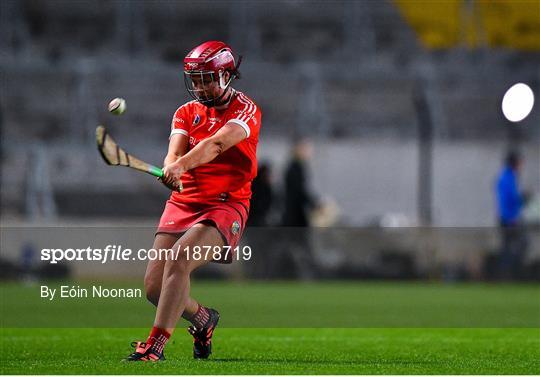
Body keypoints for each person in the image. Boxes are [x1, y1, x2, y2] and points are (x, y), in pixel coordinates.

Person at [125, 41, 261, 362]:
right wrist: (172, 166)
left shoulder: (246, 111)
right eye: (195, 79)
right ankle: (203, 319)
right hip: (185, 201)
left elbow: (216, 144)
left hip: (225, 204)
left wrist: (182, 165)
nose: (199, 86)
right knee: (155, 289)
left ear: (226, 75)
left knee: (179, 259)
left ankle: (154, 346)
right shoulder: (186, 112)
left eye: (207, 78)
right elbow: (175, 150)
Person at [495, 150, 529, 279]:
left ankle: (507, 274)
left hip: (509, 218)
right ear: (514, 163)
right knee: (519, 244)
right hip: (509, 219)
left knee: (508, 247)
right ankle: (511, 273)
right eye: (520, 163)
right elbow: (508, 200)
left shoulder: (508, 177)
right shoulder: (507, 178)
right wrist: (523, 199)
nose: (521, 166)